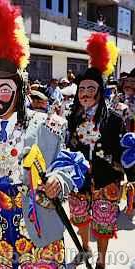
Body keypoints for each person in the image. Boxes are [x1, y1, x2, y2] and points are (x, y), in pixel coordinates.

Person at [0, 1, 84, 268]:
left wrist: (57, 180)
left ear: (19, 91)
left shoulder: (47, 126)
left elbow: (66, 164)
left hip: (38, 229)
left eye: (4, 89)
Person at [66, 33, 123, 269]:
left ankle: (101, 260)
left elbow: (122, 151)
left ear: (100, 91)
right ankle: (85, 247)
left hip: (106, 177)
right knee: (80, 216)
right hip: (80, 178)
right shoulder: (71, 118)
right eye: (82, 89)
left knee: (104, 221)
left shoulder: (114, 119)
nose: (85, 93)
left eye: (91, 89)